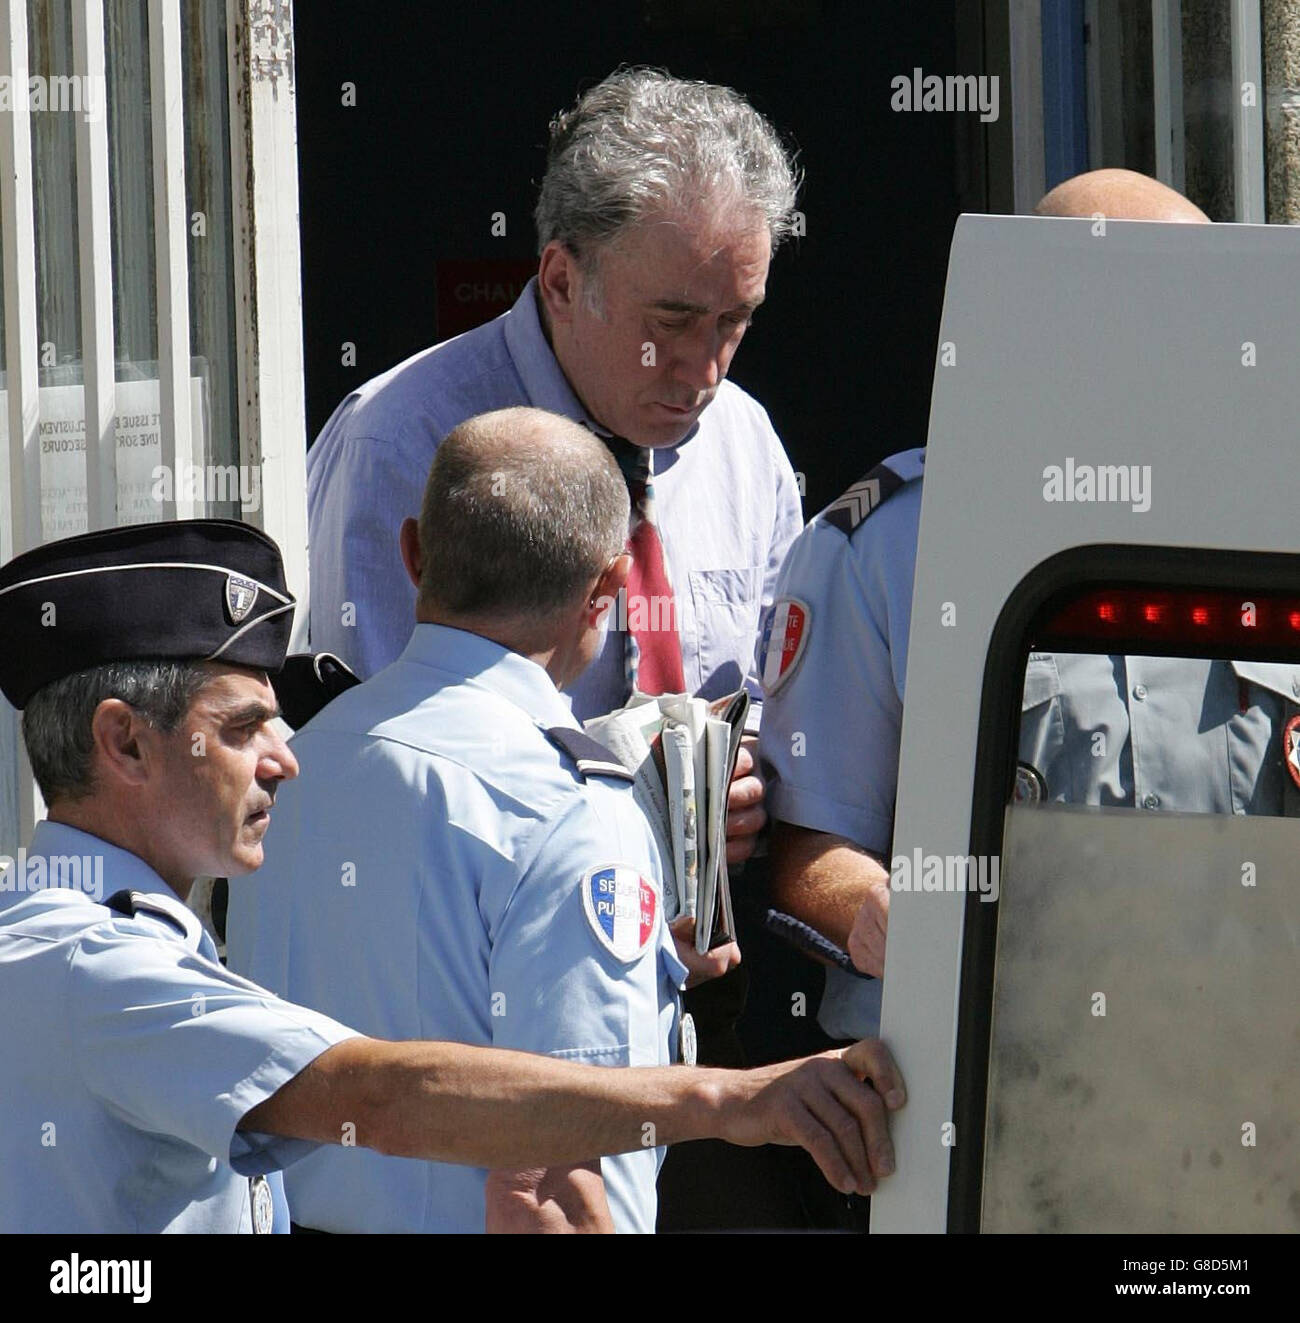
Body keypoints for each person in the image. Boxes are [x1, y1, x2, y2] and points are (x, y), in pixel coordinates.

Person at [0, 516, 906, 1233]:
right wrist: (739, 1100)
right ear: (123, 741)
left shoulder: (99, 936)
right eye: (243, 729)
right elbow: (383, 1092)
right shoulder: (91, 959)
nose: (286, 759)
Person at [759, 169, 1300, 1051]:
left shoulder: (1276, 533)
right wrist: (887, 913)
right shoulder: (890, 546)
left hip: (1241, 1086)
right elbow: (807, 851)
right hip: (978, 1096)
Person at [231, 407, 746, 1232]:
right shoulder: (572, 803)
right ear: (609, 590)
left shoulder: (291, 765)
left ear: (412, 554)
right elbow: (574, 1172)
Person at [305, 66, 806, 870]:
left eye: (734, 322)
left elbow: (791, 726)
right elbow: (370, 772)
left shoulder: (745, 446)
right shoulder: (398, 444)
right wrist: (615, 812)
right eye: (671, 321)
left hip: (690, 979)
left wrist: (755, 795)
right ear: (563, 281)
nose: (704, 369)